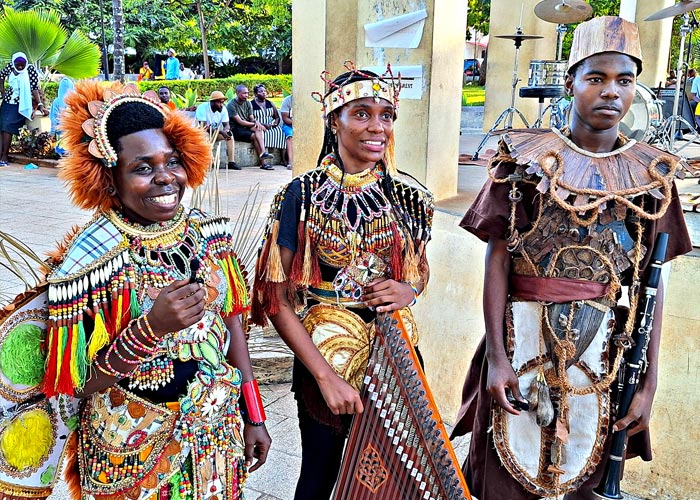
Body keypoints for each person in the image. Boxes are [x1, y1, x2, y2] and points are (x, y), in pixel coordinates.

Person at [451, 17, 692, 500]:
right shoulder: (523, 161)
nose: (611, 92)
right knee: (505, 476)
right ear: (570, 84)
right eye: (596, 78)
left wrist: (649, 383)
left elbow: (652, 281)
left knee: (582, 473)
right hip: (519, 340)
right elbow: (498, 259)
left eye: (624, 81)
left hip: (603, 350)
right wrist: (497, 358)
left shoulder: (650, 177)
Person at [45, 80, 271, 498]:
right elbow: (72, 387)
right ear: (109, 178)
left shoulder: (209, 233)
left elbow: (232, 326)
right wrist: (149, 330)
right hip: (133, 448)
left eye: (172, 162)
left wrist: (253, 413)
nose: (166, 178)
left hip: (216, 437)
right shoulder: (89, 263)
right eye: (143, 168)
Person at [251, 63, 434, 500]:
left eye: (386, 115)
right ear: (334, 120)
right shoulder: (301, 195)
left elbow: (418, 273)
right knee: (319, 475)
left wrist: (408, 290)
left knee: (397, 475)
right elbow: (275, 299)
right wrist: (325, 378)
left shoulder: (409, 195)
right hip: (324, 356)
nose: (377, 127)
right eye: (361, 114)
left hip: (397, 353)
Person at [0, 52, 45, 166]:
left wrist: (40, 104)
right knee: (1, 126)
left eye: (22, 64)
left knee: (7, 126)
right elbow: (1, 76)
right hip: (7, 102)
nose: (20, 66)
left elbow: (34, 88)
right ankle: (1, 155)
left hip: (21, 103)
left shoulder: (30, 70)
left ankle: (5, 156)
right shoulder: (10, 67)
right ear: (14, 63)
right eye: (18, 64)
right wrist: (3, 92)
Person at [227, 84, 274, 170]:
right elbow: (240, 122)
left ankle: (263, 153)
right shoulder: (231, 105)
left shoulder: (248, 103)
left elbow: (251, 118)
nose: (246, 95)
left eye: (247, 93)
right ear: (237, 93)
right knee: (255, 135)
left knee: (258, 129)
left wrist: (256, 122)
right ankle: (263, 163)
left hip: (246, 126)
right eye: (244, 93)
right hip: (236, 129)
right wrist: (256, 123)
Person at [196, 90, 238, 170]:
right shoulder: (202, 108)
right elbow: (204, 127)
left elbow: (227, 125)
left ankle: (231, 162)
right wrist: (221, 131)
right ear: (212, 102)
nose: (222, 105)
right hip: (201, 134)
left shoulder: (223, 109)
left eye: (222, 102)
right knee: (205, 135)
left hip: (215, 133)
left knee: (230, 135)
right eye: (219, 103)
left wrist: (226, 131)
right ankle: (211, 162)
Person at [251, 83, 286, 161]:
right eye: (261, 91)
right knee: (262, 134)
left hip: (271, 126)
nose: (264, 93)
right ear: (256, 94)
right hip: (260, 126)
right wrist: (264, 125)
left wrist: (275, 123)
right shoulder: (251, 104)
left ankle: (284, 159)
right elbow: (251, 119)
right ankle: (264, 160)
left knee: (282, 132)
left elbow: (277, 117)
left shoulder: (270, 103)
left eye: (264, 91)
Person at [49, 77, 75, 155]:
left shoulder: (56, 102)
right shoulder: (75, 102)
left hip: (59, 132)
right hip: (72, 133)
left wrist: (52, 133)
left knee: (60, 150)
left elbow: (54, 119)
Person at [280, 93, 293, 170]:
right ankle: (290, 161)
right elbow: (285, 119)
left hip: (303, 125)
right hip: (289, 125)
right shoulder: (287, 100)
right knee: (290, 135)